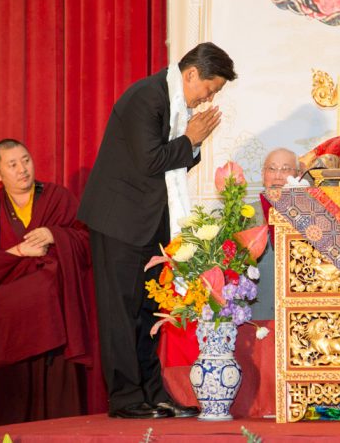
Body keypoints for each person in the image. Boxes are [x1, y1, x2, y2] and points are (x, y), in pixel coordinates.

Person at [77, 42, 237, 419]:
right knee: (121, 313)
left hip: (148, 223)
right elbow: (151, 161)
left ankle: (152, 393)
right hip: (118, 222)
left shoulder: (174, 103)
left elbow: (170, 168)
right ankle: (126, 398)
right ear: (191, 73)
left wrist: (190, 145)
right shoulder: (147, 98)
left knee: (147, 313)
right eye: (209, 89)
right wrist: (191, 141)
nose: (206, 99)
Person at [0, 139, 96, 425]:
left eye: (26, 160)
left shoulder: (57, 197)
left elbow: (88, 243)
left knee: (61, 398)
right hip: (18, 323)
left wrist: (56, 235)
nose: (22, 169)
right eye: (12, 165)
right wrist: (19, 251)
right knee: (18, 401)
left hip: (60, 320)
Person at [252, 148, 299, 320]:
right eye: (272, 169)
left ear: (298, 175)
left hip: (298, 312)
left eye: (286, 169)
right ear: (264, 174)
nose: (278, 176)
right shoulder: (246, 214)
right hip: (257, 313)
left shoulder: (311, 215)